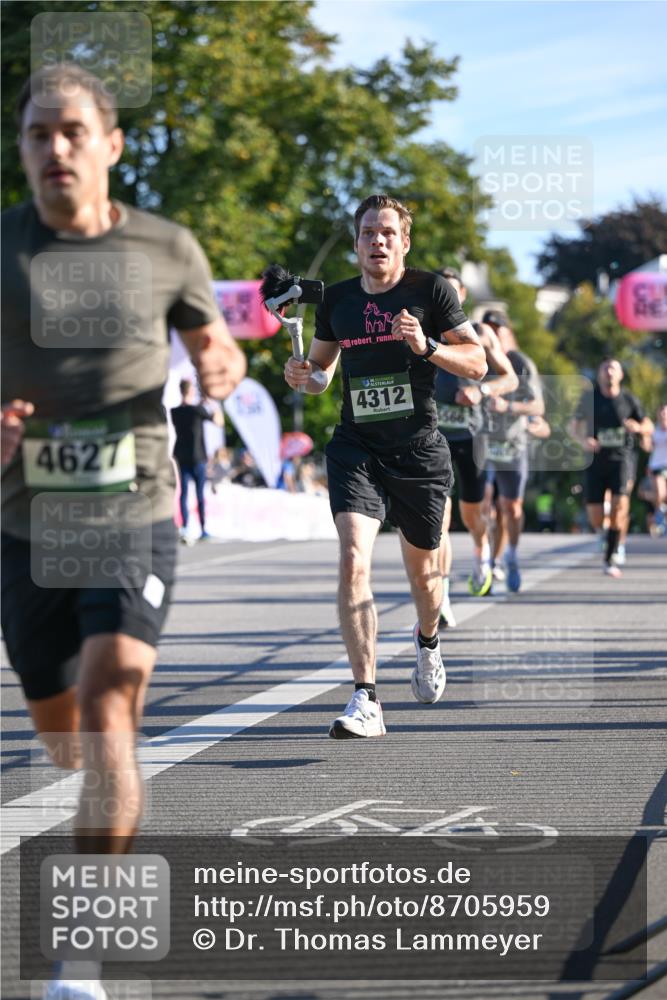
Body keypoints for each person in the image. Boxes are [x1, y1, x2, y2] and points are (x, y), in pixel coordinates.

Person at [1, 64, 246, 1000]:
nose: (55, 149)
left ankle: (84, 956)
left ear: (110, 144)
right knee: (63, 735)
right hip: (24, 524)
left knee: (110, 713)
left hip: (131, 509)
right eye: (37, 134)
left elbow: (213, 342)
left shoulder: (165, 246)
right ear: (22, 148)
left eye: (72, 132)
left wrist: (222, 365)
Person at [284, 194, 486, 739]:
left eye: (388, 232)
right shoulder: (339, 300)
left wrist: (426, 346)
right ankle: (366, 697)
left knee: (424, 578)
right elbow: (322, 372)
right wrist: (303, 375)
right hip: (358, 448)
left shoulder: (431, 291)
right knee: (353, 558)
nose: (378, 240)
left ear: (404, 242)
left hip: (418, 451)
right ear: (356, 243)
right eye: (368, 232)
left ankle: (428, 641)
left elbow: (477, 363)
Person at [434, 291, 518, 622]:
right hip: (435, 437)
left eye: (452, 291)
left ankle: (481, 549)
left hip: (473, 437)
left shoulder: (479, 333)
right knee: (439, 517)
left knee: (472, 514)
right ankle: (441, 594)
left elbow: (509, 378)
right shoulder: (421, 330)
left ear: (461, 295)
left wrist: (481, 389)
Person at [478, 310, 545, 593]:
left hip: (512, 444)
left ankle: (511, 556)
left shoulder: (520, 363)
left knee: (511, 508)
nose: (492, 334)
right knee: (484, 503)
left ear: (507, 333)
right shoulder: (475, 358)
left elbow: (538, 406)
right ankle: (485, 561)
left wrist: (508, 407)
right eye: (488, 329)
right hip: (482, 443)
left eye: (498, 330)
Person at [572, 358, 652, 577]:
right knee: (595, 517)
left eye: (613, 368)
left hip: (622, 459)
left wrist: (638, 427)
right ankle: (608, 535)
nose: (609, 372)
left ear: (620, 375)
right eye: (605, 368)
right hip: (595, 461)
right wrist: (583, 441)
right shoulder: (589, 399)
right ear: (599, 374)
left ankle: (611, 555)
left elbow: (648, 425)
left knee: (619, 507)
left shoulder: (629, 399)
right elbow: (573, 427)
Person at [171, 379, 224, 542]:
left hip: (181, 456)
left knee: (184, 493)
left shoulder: (175, 412)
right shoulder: (197, 410)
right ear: (191, 392)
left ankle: (185, 527)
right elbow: (219, 421)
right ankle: (203, 529)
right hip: (198, 456)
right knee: (200, 494)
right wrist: (210, 403)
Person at [647, 403, 667, 534]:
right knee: (660, 493)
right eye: (661, 413)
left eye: (665, 413)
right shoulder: (654, 430)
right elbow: (648, 447)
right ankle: (659, 514)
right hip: (656, 466)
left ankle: (663, 514)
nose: (663, 415)